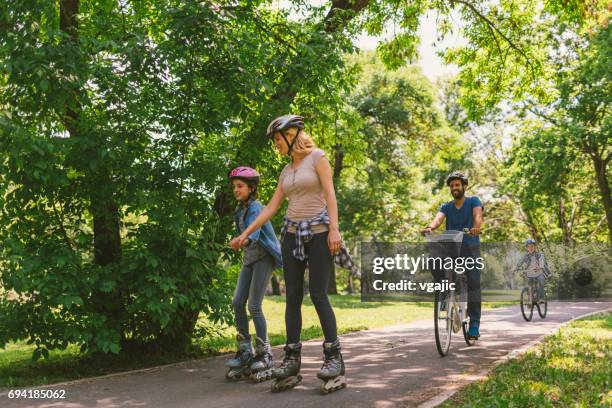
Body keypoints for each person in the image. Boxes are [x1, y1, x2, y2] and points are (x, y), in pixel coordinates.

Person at [231, 114, 355, 394]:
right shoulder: (286, 172)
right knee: (293, 298)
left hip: (320, 232)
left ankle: (334, 358)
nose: (276, 144)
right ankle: (291, 360)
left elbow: (331, 194)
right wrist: (245, 233)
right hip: (291, 235)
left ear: (292, 134)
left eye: (277, 139)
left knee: (319, 294)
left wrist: (335, 229)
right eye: (275, 140)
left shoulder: (318, 158)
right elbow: (271, 208)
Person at [225, 167, 282, 382]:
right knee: (237, 302)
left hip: (264, 257)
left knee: (254, 305)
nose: (236, 190)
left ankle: (265, 352)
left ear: (252, 188)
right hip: (250, 258)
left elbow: (253, 236)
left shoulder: (257, 208)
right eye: (234, 187)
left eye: (240, 186)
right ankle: (245, 351)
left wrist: (240, 240)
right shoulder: (240, 210)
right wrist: (240, 241)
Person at [422, 171, 484, 340]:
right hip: (452, 248)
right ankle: (445, 294)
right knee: (434, 261)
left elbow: (477, 215)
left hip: (470, 248)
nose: (454, 188)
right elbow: (438, 219)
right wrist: (430, 227)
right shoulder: (447, 206)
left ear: (464, 186)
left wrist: (476, 227)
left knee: (473, 283)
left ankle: (474, 325)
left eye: (457, 185)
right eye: (452, 186)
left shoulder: (473, 201)